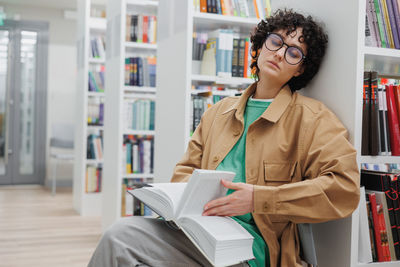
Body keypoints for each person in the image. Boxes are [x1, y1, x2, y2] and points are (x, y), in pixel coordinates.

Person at [88, 9, 360, 267]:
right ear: (261, 44)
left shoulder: (313, 119)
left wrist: (259, 199)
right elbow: (185, 171)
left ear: (301, 69)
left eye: (293, 53)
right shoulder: (218, 112)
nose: (279, 54)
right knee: (119, 234)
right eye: (275, 41)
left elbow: (343, 190)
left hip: (249, 249)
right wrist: (191, 202)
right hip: (197, 231)